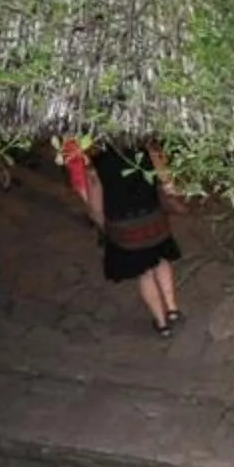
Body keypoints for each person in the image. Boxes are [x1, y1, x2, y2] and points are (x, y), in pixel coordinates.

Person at [74, 139, 182, 335]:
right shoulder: (145, 146)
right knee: (161, 260)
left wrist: (101, 223)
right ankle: (172, 308)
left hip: (123, 225)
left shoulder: (98, 160)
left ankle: (161, 323)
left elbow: (96, 203)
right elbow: (166, 178)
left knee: (144, 273)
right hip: (152, 216)